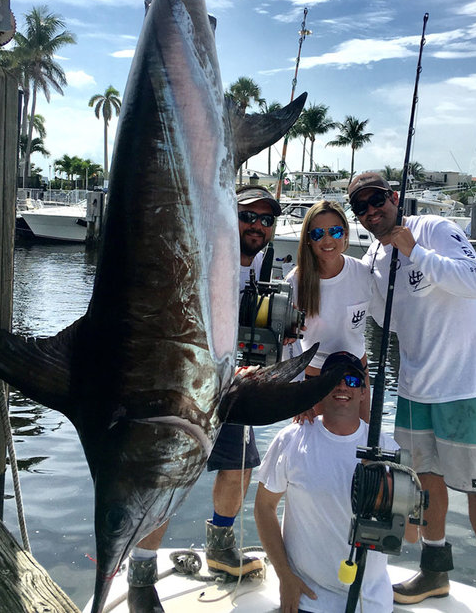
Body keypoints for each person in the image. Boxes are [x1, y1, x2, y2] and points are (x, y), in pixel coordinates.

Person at [348, 171, 476, 612]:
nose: (371, 211)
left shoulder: (435, 230)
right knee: (426, 484)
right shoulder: (374, 261)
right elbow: (391, 321)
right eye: (360, 206)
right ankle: (435, 572)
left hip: (466, 384)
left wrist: (415, 252)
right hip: (415, 387)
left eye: (377, 200)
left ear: (394, 198)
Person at [127, 185, 281, 612]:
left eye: (266, 220)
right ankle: (140, 576)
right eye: (248, 216)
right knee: (163, 479)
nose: (256, 226)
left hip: (235, 386)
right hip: (186, 390)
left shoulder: (266, 267)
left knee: (239, 466)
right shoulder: (204, 256)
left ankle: (221, 548)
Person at [254, 351, 397, 613]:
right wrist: (285, 575)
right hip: (306, 599)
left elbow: (409, 533)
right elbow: (264, 507)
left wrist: (385, 491)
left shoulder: (386, 449)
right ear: (320, 389)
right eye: (333, 380)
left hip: (370, 603)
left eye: (353, 381)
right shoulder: (291, 439)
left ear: (364, 393)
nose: (342, 386)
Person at [286, 200, 373, 422]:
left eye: (335, 231)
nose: (327, 240)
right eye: (317, 234)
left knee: (362, 449)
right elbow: (287, 347)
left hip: (356, 378)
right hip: (314, 382)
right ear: (308, 239)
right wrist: (297, 395)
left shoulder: (363, 274)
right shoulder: (295, 282)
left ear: (345, 234)